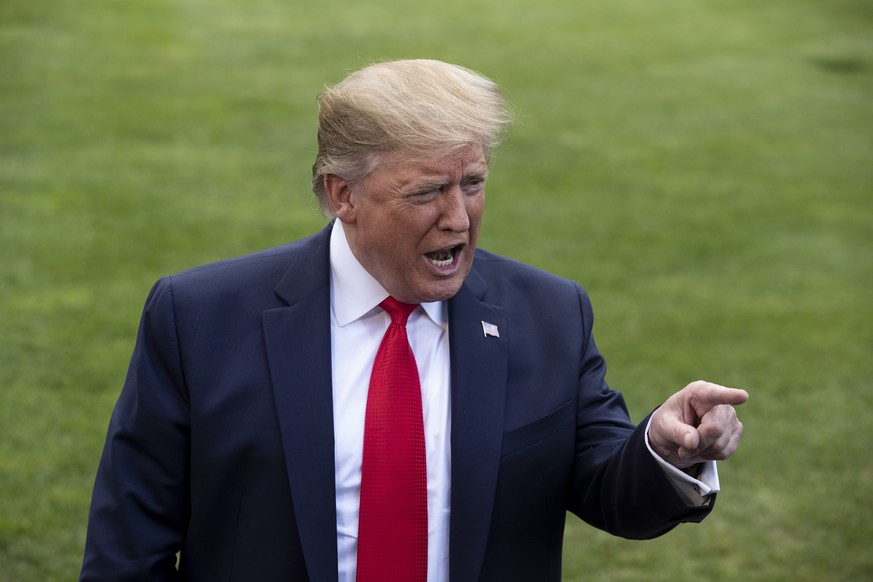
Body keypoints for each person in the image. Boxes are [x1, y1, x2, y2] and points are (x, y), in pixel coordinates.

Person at [80, 59, 747, 581]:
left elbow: (608, 489)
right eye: (427, 190)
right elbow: (129, 544)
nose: (457, 217)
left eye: (473, 183)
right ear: (342, 194)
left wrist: (662, 448)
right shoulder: (198, 318)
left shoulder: (546, 314)